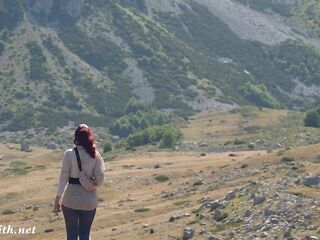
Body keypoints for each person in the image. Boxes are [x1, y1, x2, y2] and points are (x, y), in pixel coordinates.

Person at [53, 124, 105, 240]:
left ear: (76, 138)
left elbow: (63, 179)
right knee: (85, 234)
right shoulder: (96, 156)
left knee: (71, 235)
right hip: (89, 200)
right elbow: (100, 180)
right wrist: (91, 183)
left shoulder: (69, 154)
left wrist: (57, 200)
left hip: (70, 199)